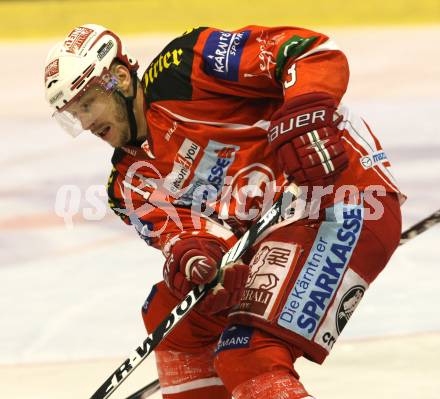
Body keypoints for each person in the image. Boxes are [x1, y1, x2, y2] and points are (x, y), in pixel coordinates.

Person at [44, 24, 404, 399]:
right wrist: (194, 258)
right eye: (73, 115)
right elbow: (193, 237)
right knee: (172, 321)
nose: (85, 123)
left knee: (247, 356)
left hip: (345, 196)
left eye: (87, 103)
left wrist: (306, 113)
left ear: (119, 78)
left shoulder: (183, 69)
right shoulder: (127, 185)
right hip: (279, 228)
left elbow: (308, 50)